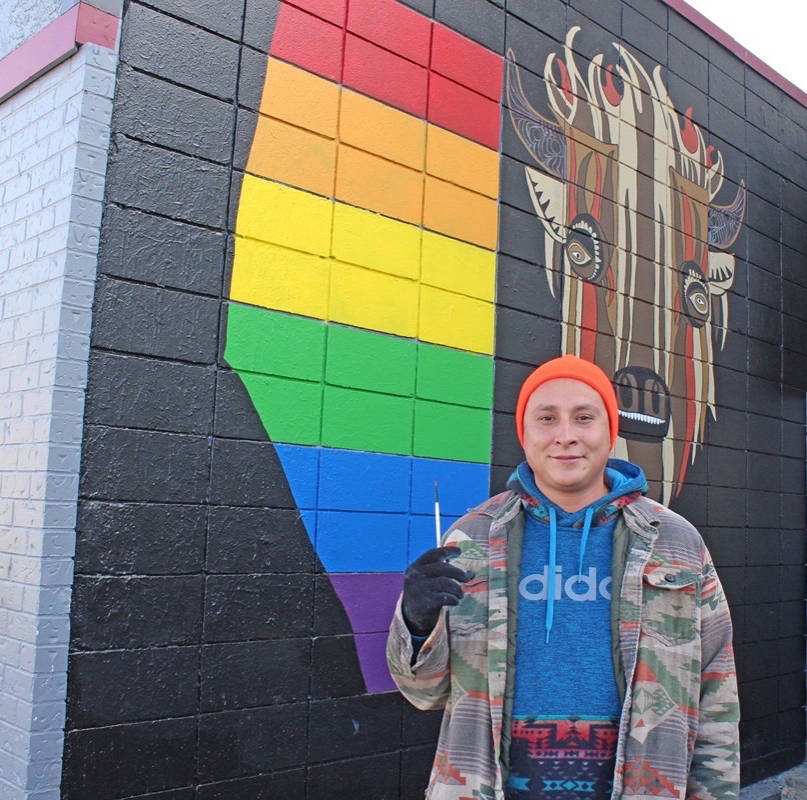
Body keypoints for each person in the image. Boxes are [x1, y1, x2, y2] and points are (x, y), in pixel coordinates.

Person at [387, 355, 739, 800]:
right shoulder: (472, 537)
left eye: (584, 418)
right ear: (524, 433)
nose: (566, 436)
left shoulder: (674, 541)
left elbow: (716, 690)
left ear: (610, 431)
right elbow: (424, 693)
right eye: (547, 418)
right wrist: (417, 626)